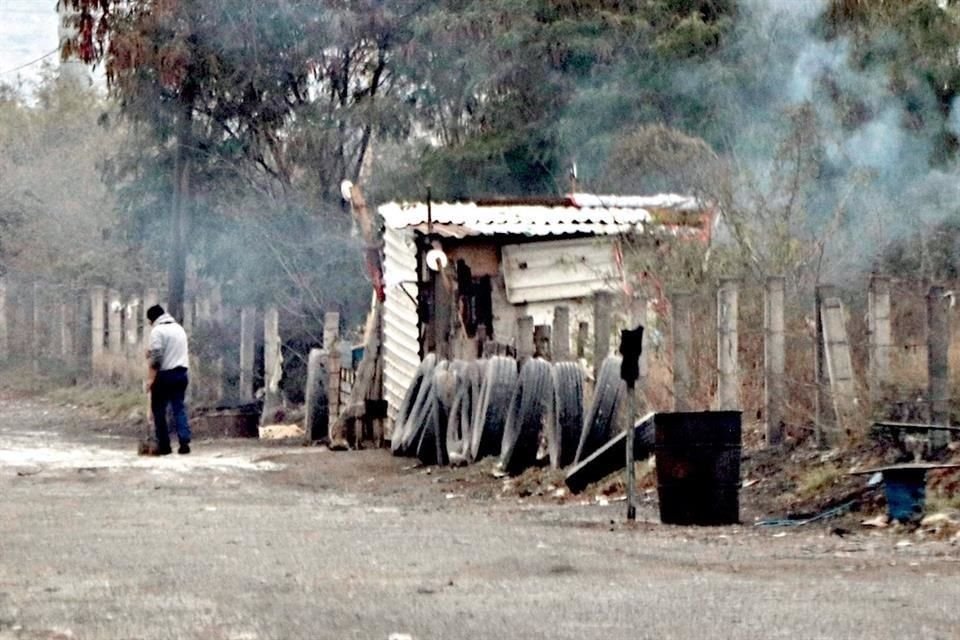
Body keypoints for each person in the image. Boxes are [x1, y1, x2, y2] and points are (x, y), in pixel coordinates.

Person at [145, 304, 191, 455]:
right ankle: (184, 442)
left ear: (152, 319)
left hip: (165, 375)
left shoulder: (157, 331)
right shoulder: (179, 329)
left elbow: (157, 358)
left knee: (159, 410)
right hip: (182, 373)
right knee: (179, 408)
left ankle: (164, 445)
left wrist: (150, 379)